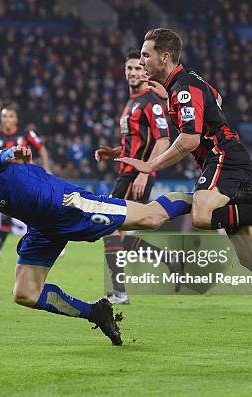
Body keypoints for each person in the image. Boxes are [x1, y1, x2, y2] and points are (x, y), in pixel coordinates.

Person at [117, 28, 252, 345]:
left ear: (164, 57)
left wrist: (151, 165)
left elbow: (189, 140)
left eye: (146, 54)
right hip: (232, 163)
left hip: (224, 159)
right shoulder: (185, 85)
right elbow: (211, 100)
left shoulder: (184, 89)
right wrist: (169, 95)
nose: (142, 60)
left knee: (202, 215)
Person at [0, 125, 193, 346]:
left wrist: (11, 154)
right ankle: (95, 312)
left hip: (67, 205)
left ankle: (201, 198)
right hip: (42, 226)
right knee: (25, 294)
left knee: (151, 218)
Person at [94, 49, 171, 304]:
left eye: (138, 68)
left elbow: (163, 140)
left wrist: (145, 170)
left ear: (145, 71)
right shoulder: (131, 102)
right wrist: (112, 152)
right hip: (126, 172)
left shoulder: (151, 101)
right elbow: (135, 142)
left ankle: (119, 292)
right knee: (118, 234)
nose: (134, 72)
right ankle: (168, 259)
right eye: (130, 68)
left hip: (135, 175)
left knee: (110, 230)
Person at [0, 104, 52, 260]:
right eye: (4, 116)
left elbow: (42, 149)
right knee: (7, 214)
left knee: (34, 211)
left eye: (11, 116)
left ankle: (51, 242)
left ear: (16, 119)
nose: (7, 120)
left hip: (27, 179)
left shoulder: (26, 134)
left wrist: (46, 168)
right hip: (7, 181)